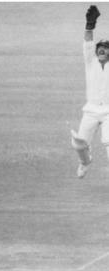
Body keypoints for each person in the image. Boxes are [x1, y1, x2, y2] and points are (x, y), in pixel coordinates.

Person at [72, 5, 109, 178]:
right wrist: (89, 25)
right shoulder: (90, 62)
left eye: (106, 48)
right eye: (100, 47)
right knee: (79, 144)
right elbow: (88, 42)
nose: (102, 49)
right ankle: (85, 163)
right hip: (91, 109)